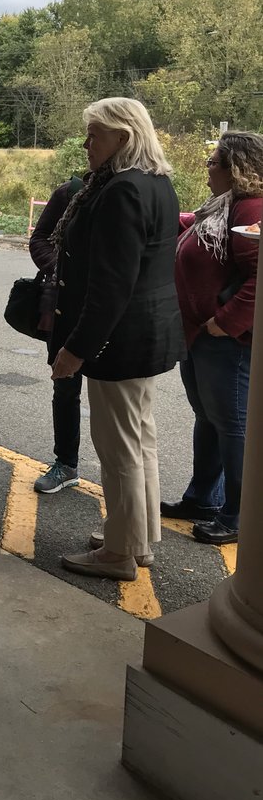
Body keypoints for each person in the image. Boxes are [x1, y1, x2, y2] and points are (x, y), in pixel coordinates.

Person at [50, 98, 183, 582]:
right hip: (146, 336)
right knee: (139, 438)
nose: (86, 145)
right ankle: (137, 539)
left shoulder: (121, 191)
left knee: (118, 447)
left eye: (95, 136)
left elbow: (110, 286)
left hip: (120, 342)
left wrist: (76, 349)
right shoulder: (157, 183)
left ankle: (119, 554)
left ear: (124, 138)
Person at [162, 132, 263, 546]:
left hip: (226, 341)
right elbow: (191, 223)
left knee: (232, 425)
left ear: (236, 167)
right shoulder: (222, 206)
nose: (207, 167)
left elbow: (258, 277)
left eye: (214, 161)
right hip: (203, 335)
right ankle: (202, 499)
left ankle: (237, 514)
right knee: (209, 417)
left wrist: (226, 321)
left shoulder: (251, 208)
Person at [30, 174, 84, 493]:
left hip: (112, 310)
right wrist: (61, 270)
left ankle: (122, 478)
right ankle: (66, 463)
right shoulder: (69, 192)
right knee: (65, 388)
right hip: (65, 308)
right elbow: (40, 238)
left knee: (112, 401)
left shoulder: (132, 191)